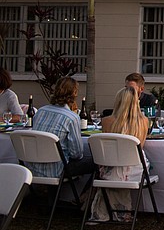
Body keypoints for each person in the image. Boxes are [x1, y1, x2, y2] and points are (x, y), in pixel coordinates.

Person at [90, 86, 151, 222]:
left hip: (110, 170)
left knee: (109, 168)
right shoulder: (144, 121)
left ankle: (95, 204)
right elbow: (140, 146)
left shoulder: (106, 121)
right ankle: (122, 211)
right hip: (134, 170)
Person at [30, 76, 95, 178]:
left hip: (33, 168)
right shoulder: (71, 117)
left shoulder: (40, 111)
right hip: (57, 170)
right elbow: (76, 154)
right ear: (74, 93)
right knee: (97, 161)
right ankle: (85, 189)